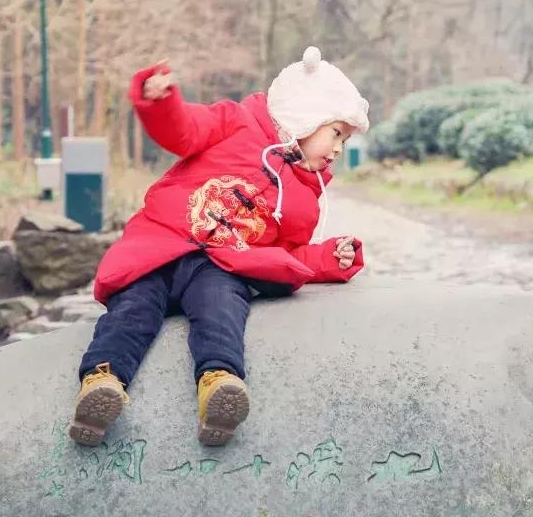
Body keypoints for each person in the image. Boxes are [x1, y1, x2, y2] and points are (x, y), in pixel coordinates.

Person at [69, 46, 370, 447]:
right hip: (160, 245)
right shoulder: (236, 122)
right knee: (134, 306)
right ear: (305, 115)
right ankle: (102, 381)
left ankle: (220, 383)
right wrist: (162, 103)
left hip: (218, 266)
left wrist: (329, 258)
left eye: (344, 141)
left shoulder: (303, 199)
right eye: (336, 134)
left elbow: (291, 255)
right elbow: (185, 129)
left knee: (223, 307)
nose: (337, 150)